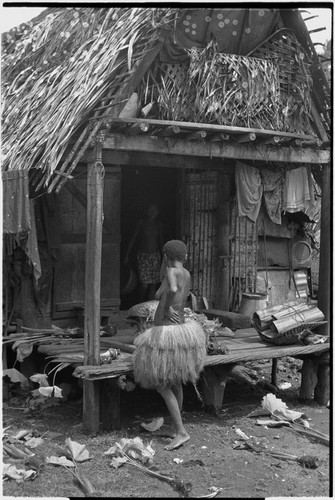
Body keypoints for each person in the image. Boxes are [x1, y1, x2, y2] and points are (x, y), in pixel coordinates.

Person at [133, 240, 207, 451]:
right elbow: (166, 291)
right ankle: (176, 428)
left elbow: (172, 289)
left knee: (162, 385)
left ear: (166, 255)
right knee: (175, 382)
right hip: (181, 328)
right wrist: (165, 294)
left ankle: (182, 432)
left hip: (166, 330)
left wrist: (165, 307)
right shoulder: (186, 272)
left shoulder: (172, 272)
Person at [124, 204, 163, 301]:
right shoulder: (141, 223)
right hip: (143, 256)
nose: (153, 212)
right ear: (147, 210)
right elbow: (133, 238)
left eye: (155, 210)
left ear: (158, 212)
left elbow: (161, 241)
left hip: (155, 256)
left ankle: (150, 308)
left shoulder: (159, 225)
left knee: (153, 284)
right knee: (144, 285)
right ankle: (140, 303)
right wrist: (127, 255)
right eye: (151, 209)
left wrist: (165, 257)